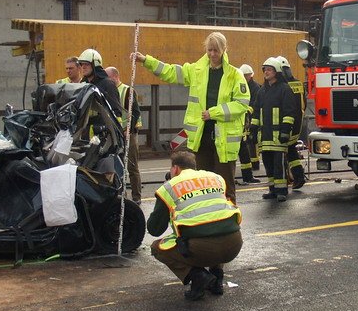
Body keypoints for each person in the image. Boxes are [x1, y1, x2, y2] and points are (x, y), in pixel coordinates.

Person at [132, 32, 250, 203]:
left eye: (216, 50)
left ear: (224, 50)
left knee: (225, 187)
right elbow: (170, 72)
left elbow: (242, 103)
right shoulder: (196, 70)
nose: (212, 54)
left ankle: (229, 223)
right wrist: (145, 61)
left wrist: (214, 112)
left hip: (224, 141)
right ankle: (206, 221)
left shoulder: (234, 75)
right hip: (201, 140)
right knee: (203, 186)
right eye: (209, 50)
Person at [147, 149, 243, 301]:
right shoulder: (216, 178)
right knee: (216, 224)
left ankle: (198, 276)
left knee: (157, 248)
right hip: (234, 244)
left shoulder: (169, 187)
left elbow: (154, 229)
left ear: (175, 168)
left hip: (202, 248)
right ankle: (216, 278)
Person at [250, 58, 299, 202]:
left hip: (278, 136)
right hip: (265, 136)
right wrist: (253, 130)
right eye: (264, 69)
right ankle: (272, 189)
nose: (266, 72)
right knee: (268, 163)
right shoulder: (262, 91)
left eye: (269, 69)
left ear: (276, 72)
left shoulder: (284, 89)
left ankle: (282, 190)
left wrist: (285, 131)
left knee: (279, 164)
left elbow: (289, 112)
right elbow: (256, 112)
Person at [107, 65, 143, 203]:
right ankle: (122, 197)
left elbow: (135, 112)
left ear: (115, 76)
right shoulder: (109, 91)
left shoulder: (127, 91)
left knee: (132, 167)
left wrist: (128, 128)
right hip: (116, 135)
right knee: (117, 167)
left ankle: (136, 198)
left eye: (108, 78)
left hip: (129, 134)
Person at [277, 55, 306, 189]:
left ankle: (288, 179)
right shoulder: (299, 83)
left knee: (283, 151)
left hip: (286, 123)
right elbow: (304, 104)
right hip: (298, 123)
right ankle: (298, 177)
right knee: (291, 150)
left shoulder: (283, 86)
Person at [77, 48, 123, 121]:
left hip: (102, 130)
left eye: (86, 64)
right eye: (81, 64)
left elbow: (116, 112)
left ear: (95, 65)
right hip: (84, 130)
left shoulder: (107, 84)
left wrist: (101, 127)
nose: (83, 67)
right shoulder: (82, 85)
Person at [236, 63, 261, 184]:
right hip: (238, 122)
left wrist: (246, 110)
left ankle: (248, 175)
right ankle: (246, 176)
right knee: (243, 149)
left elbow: (254, 105)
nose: (245, 77)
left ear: (251, 75)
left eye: (246, 75)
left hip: (247, 120)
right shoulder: (239, 85)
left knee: (246, 147)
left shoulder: (255, 87)